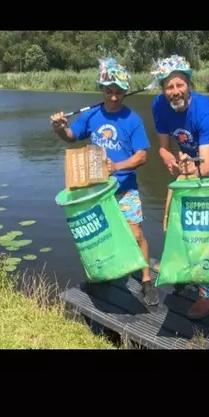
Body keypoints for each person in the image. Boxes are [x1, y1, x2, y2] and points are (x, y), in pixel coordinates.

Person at [50, 58, 159, 306]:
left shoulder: (132, 119)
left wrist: (117, 166)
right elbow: (70, 137)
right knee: (102, 235)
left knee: (136, 233)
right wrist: (59, 128)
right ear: (102, 89)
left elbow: (142, 155)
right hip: (98, 191)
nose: (113, 97)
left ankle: (145, 280)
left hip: (125, 189)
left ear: (124, 92)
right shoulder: (92, 116)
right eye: (109, 91)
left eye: (118, 92)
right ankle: (106, 274)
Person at [150, 54, 209, 320]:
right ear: (163, 89)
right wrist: (166, 156)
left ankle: (208, 296)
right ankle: (183, 265)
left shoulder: (205, 110)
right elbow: (164, 148)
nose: (175, 92)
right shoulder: (158, 106)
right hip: (190, 160)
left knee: (201, 226)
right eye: (169, 87)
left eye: (180, 85)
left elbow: (207, 167)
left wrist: (187, 168)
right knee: (177, 216)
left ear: (189, 84)